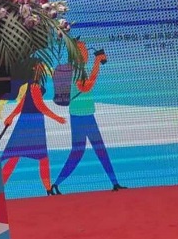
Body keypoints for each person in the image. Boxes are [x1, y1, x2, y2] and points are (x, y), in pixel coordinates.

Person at [51, 41, 126, 194]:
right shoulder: (76, 71)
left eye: (85, 49)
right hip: (80, 116)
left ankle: (114, 183)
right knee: (81, 152)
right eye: (82, 50)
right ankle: (56, 184)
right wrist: (97, 63)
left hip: (85, 115)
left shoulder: (80, 69)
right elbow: (86, 87)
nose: (86, 53)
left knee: (91, 150)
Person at [1, 61, 66, 195]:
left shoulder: (33, 84)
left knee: (23, 157)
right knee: (34, 157)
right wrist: (56, 118)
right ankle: (48, 189)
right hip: (32, 123)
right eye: (38, 67)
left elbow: (24, 103)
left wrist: (11, 116)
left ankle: (48, 189)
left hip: (28, 121)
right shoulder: (34, 85)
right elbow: (39, 105)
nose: (41, 69)